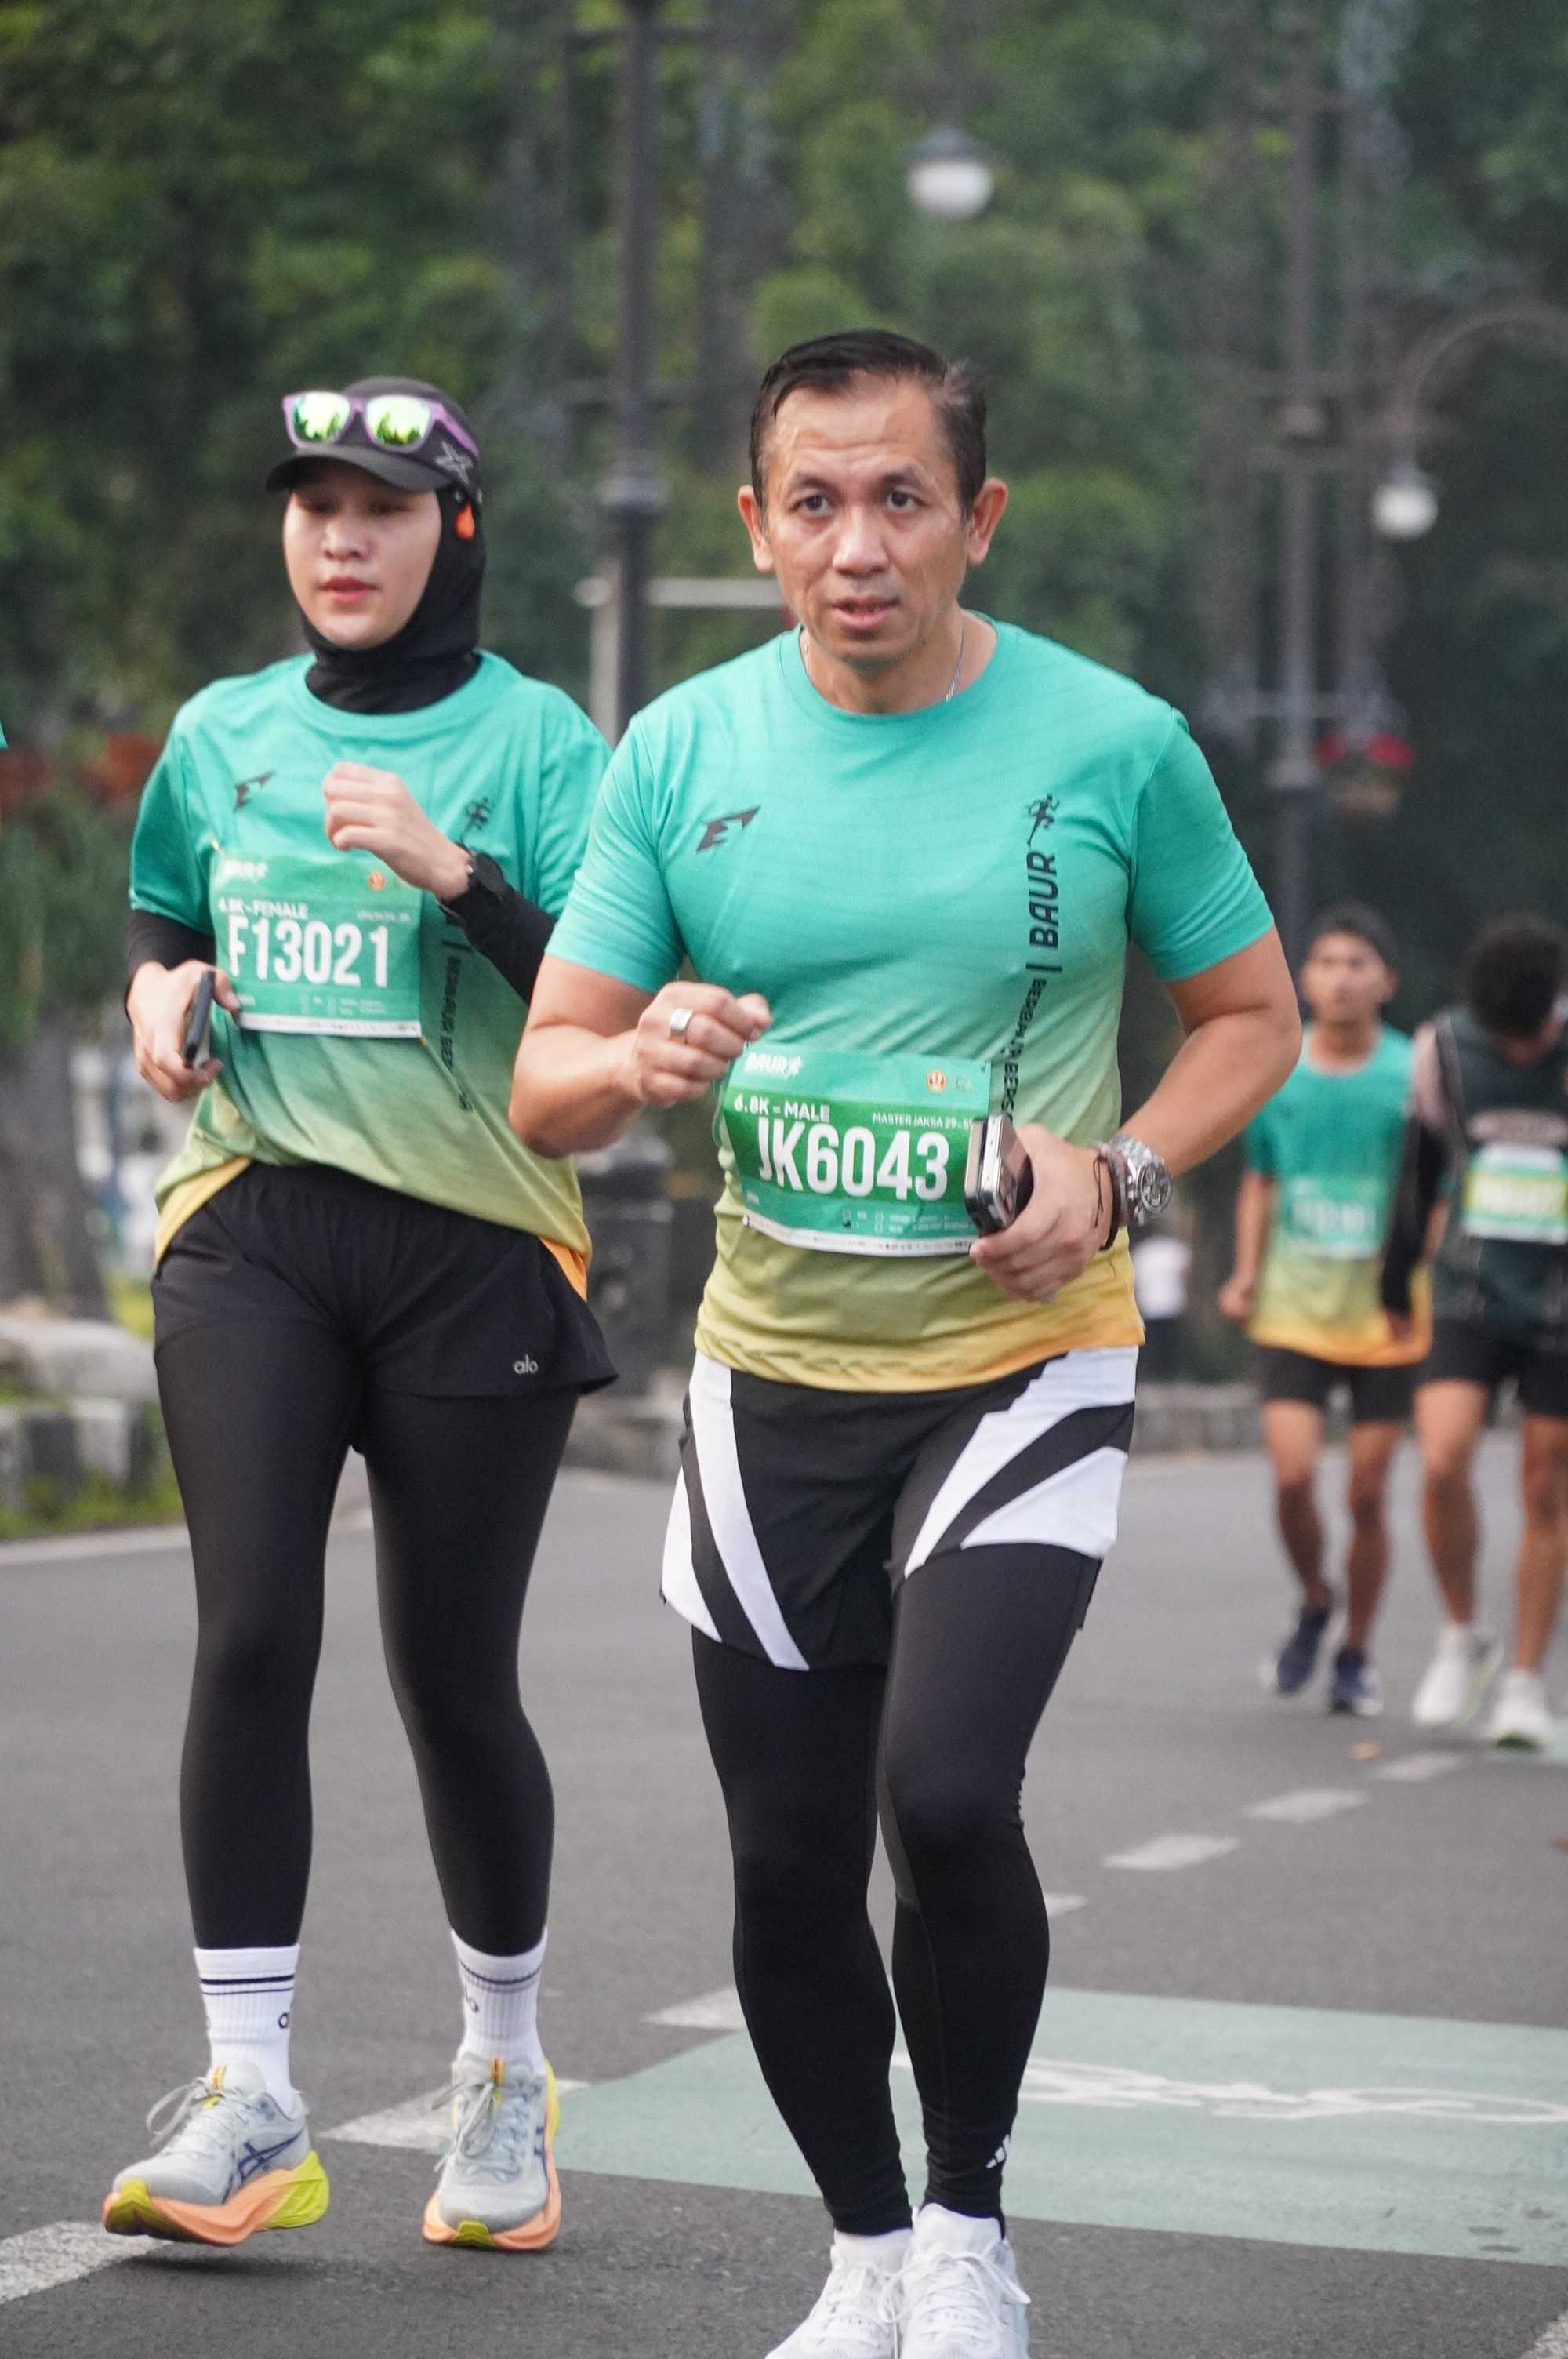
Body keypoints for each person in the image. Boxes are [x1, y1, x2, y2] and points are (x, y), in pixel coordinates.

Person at [510, 329, 1299, 2359]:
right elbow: (545, 1080)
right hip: (771, 1376)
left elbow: (1251, 1017)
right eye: (814, 502)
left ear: (977, 517)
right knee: (786, 1862)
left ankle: (968, 2231)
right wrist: (640, 1051)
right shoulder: (680, 750)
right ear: (757, 522)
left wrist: (1118, 1170)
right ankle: (865, 2255)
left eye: (899, 500)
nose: (856, 545)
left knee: (942, 1795)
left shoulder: (1114, 743)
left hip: (1023, 1359)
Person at [105, 378, 613, 2252]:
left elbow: (610, 1007)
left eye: (382, 508)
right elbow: (166, 918)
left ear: (453, 532)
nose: (339, 536)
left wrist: (453, 873)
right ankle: (249, 2095)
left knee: (451, 1678)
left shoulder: (540, 742)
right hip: (252, 1222)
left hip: (477, 1242)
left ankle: (503, 2070)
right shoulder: (222, 731)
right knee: (251, 1626)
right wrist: (160, 1004)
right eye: (314, 504)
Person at [1218, 905, 1428, 1714]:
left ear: (1387, 982)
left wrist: (1417, 1275)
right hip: (1293, 1306)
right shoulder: (1280, 1069)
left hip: (1386, 1316)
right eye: (1326, 961)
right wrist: (1244, 1273)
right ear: (1303, 976)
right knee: (1293, 1473)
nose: (1339, 978)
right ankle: (1315, 1597)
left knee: (1367, 1496)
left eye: (1356, 963)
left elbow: (1435, 1188)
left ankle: (1356, 1652)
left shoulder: (1412, 1076)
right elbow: (1260, 1178)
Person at [1382, 914, 1568, 1748]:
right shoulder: (1446, 1051)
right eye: (1507, 1041)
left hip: (1559, 1297)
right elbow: (1418, 1169)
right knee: (1443, 1453)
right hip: (1469, 1283)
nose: (1521, 1053)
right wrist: (1394, 1277)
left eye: (1533, 1038)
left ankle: (1524, 1682)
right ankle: (1465, 1631)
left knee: (1545, 1481)